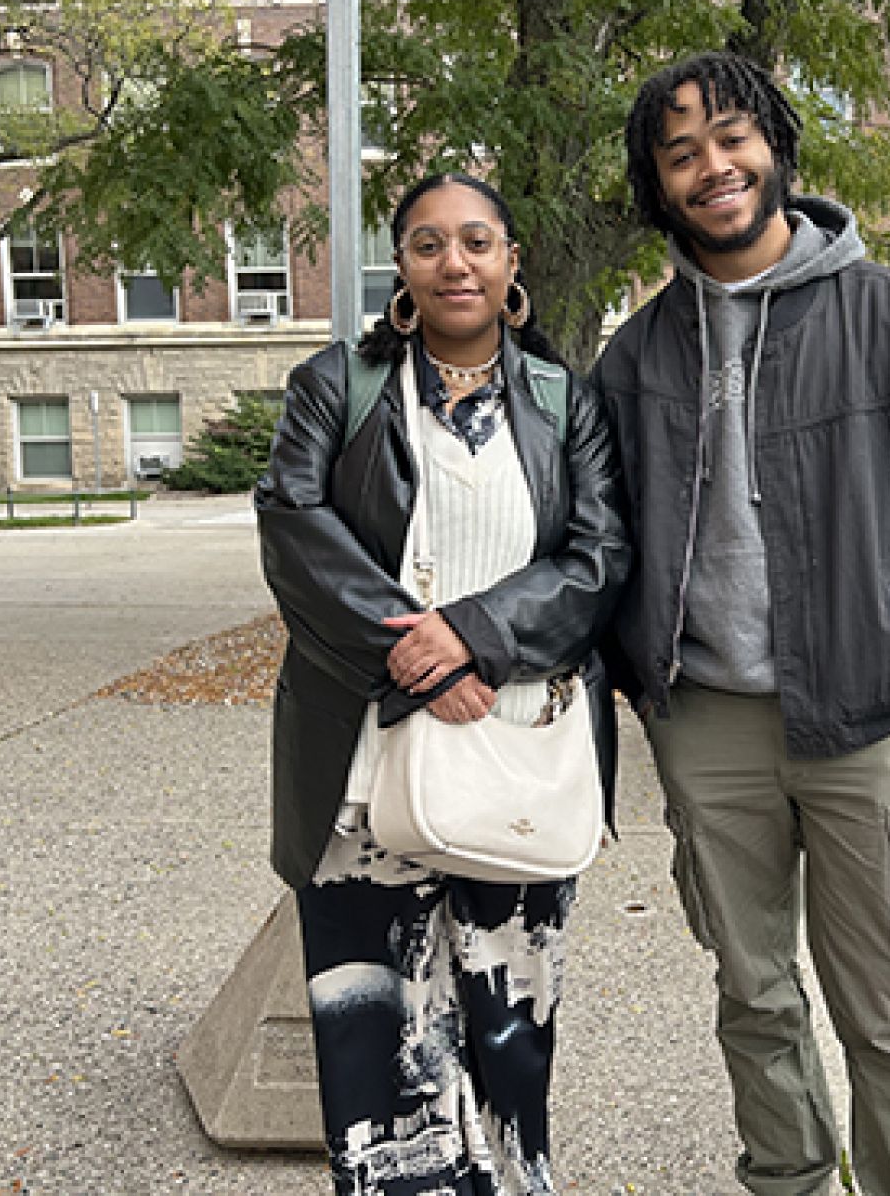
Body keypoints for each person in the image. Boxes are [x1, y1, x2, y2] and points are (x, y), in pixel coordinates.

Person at [590, 52, 890, 1196]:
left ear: (774, 144)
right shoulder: (635, 354)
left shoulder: (888, 314)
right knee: (755, 996)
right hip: (709, 721)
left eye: (730, 137)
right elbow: (605, 541)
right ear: (658, 184)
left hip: (866, 712)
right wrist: (643, 676)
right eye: (680, 153)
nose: (711, 167)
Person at [255, 172, 630, 1196]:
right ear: (402, 270)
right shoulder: (337, 385)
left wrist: (475, 638)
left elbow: (599, 559)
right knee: (373, 1041)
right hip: (362, 765)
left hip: (516, 752)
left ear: (511, 264)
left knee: (508, 1031)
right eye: (427, 244)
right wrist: (413, 661)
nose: (453, 262)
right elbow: (293, 526)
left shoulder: (564, 402)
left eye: (476, 242)